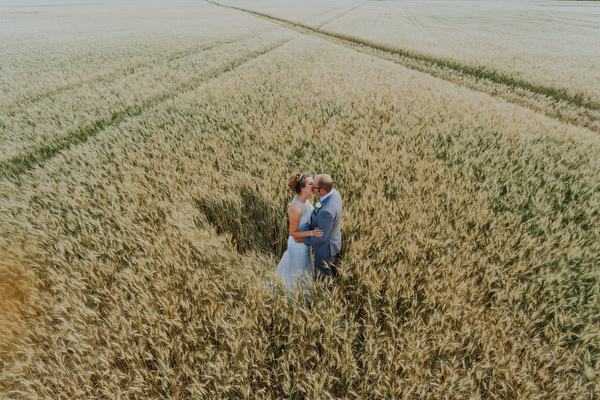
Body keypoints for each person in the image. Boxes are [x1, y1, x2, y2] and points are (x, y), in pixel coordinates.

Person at [273, 173, 323, 294]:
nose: (314, 186)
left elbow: (312, 213)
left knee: (305, 270)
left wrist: (321, 204)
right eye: (311, 184)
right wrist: (312, 233)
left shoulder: (305, 201)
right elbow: (292, 232)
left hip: (304, 242)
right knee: (297, 272)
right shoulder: (295, 208)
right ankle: (292, 296)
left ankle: (303, 295)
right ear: (302, 188)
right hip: (298, 245)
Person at [299, 174, 342, 282]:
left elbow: (321, 237)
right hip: (333, 240)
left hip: (325, 249)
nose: (312, 188)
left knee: (323, 276)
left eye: (314, 186)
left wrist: (304, 240)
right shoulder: (334, 193)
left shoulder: (326, 211)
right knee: (327, 271)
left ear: (322, 190)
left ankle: (326, 296)